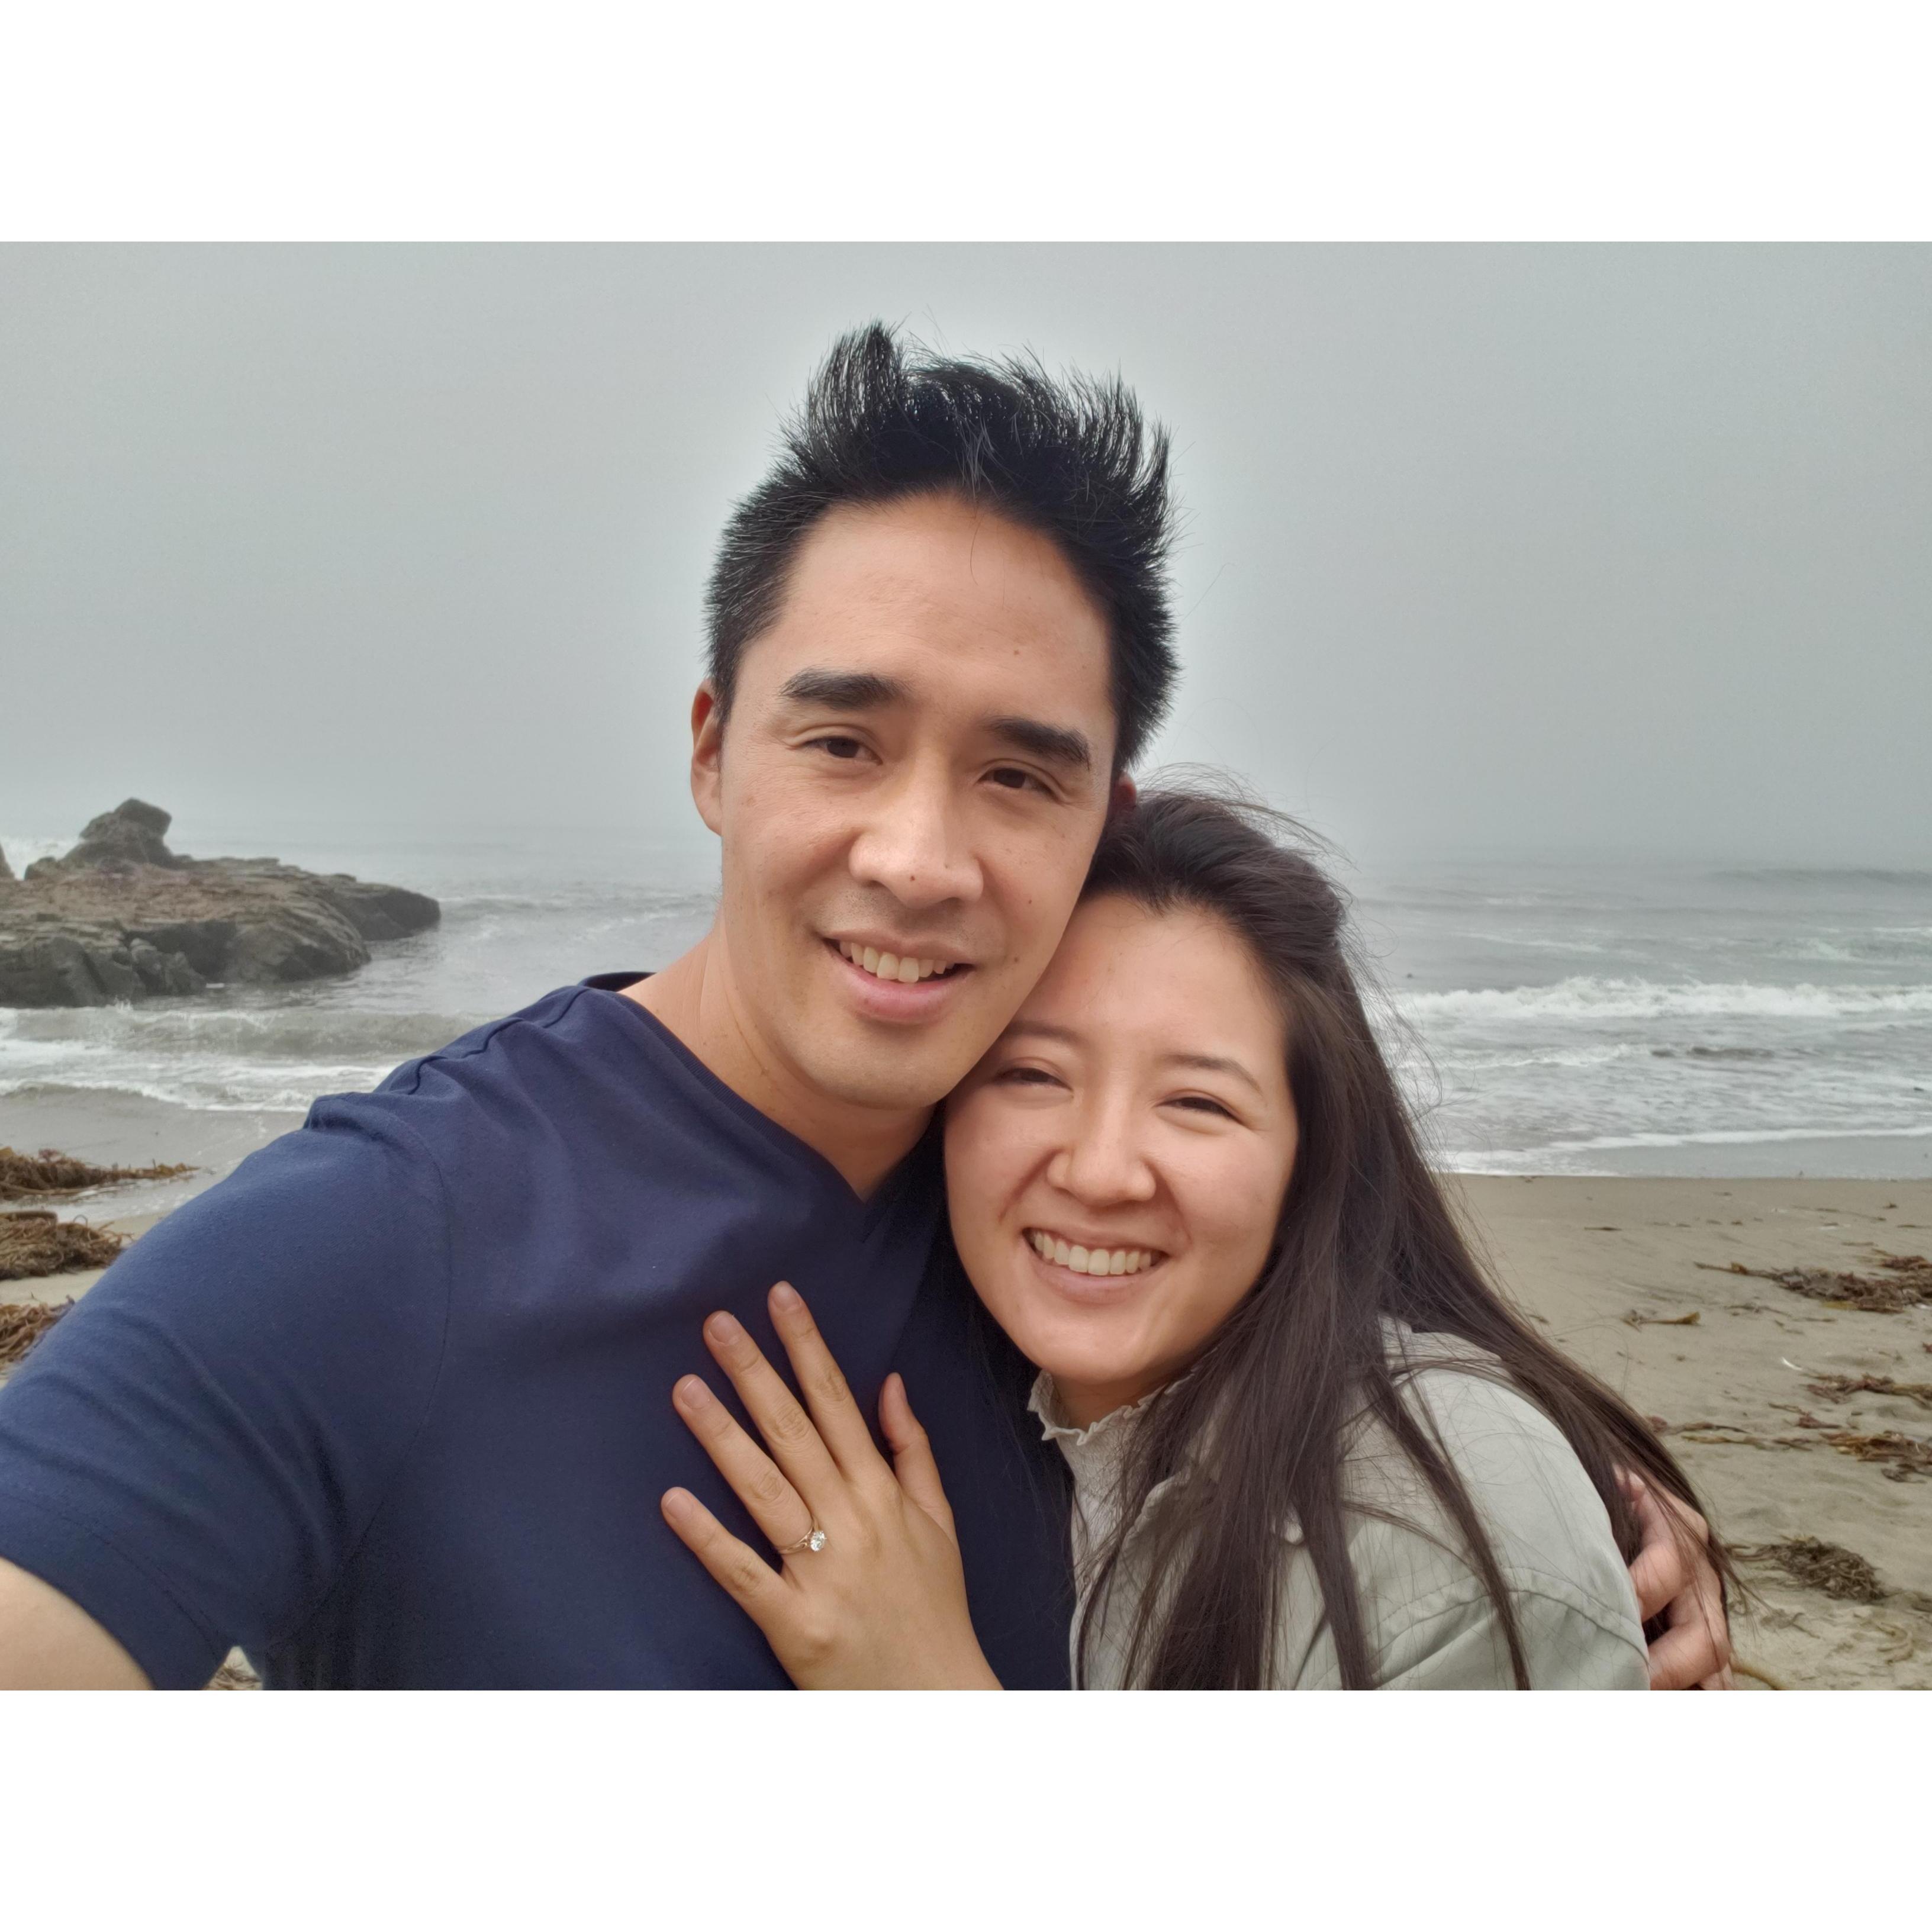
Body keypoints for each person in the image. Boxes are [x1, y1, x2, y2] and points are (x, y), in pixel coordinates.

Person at [0, 329, 1728, 1688]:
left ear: (1096, 827)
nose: (917, 859)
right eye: (843, 742)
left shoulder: (1065, 1228)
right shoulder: (379, 1241)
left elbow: (1374, 1386)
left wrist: (1559, 1533)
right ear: (710, 752)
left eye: (1016, 776)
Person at [660, 790, 1736, 1688]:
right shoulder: (966, 1346)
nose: (1099, 1170)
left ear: (1311, 1153)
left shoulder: (1442, 1546)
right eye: (1032, 1076)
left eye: (1198, 1104)